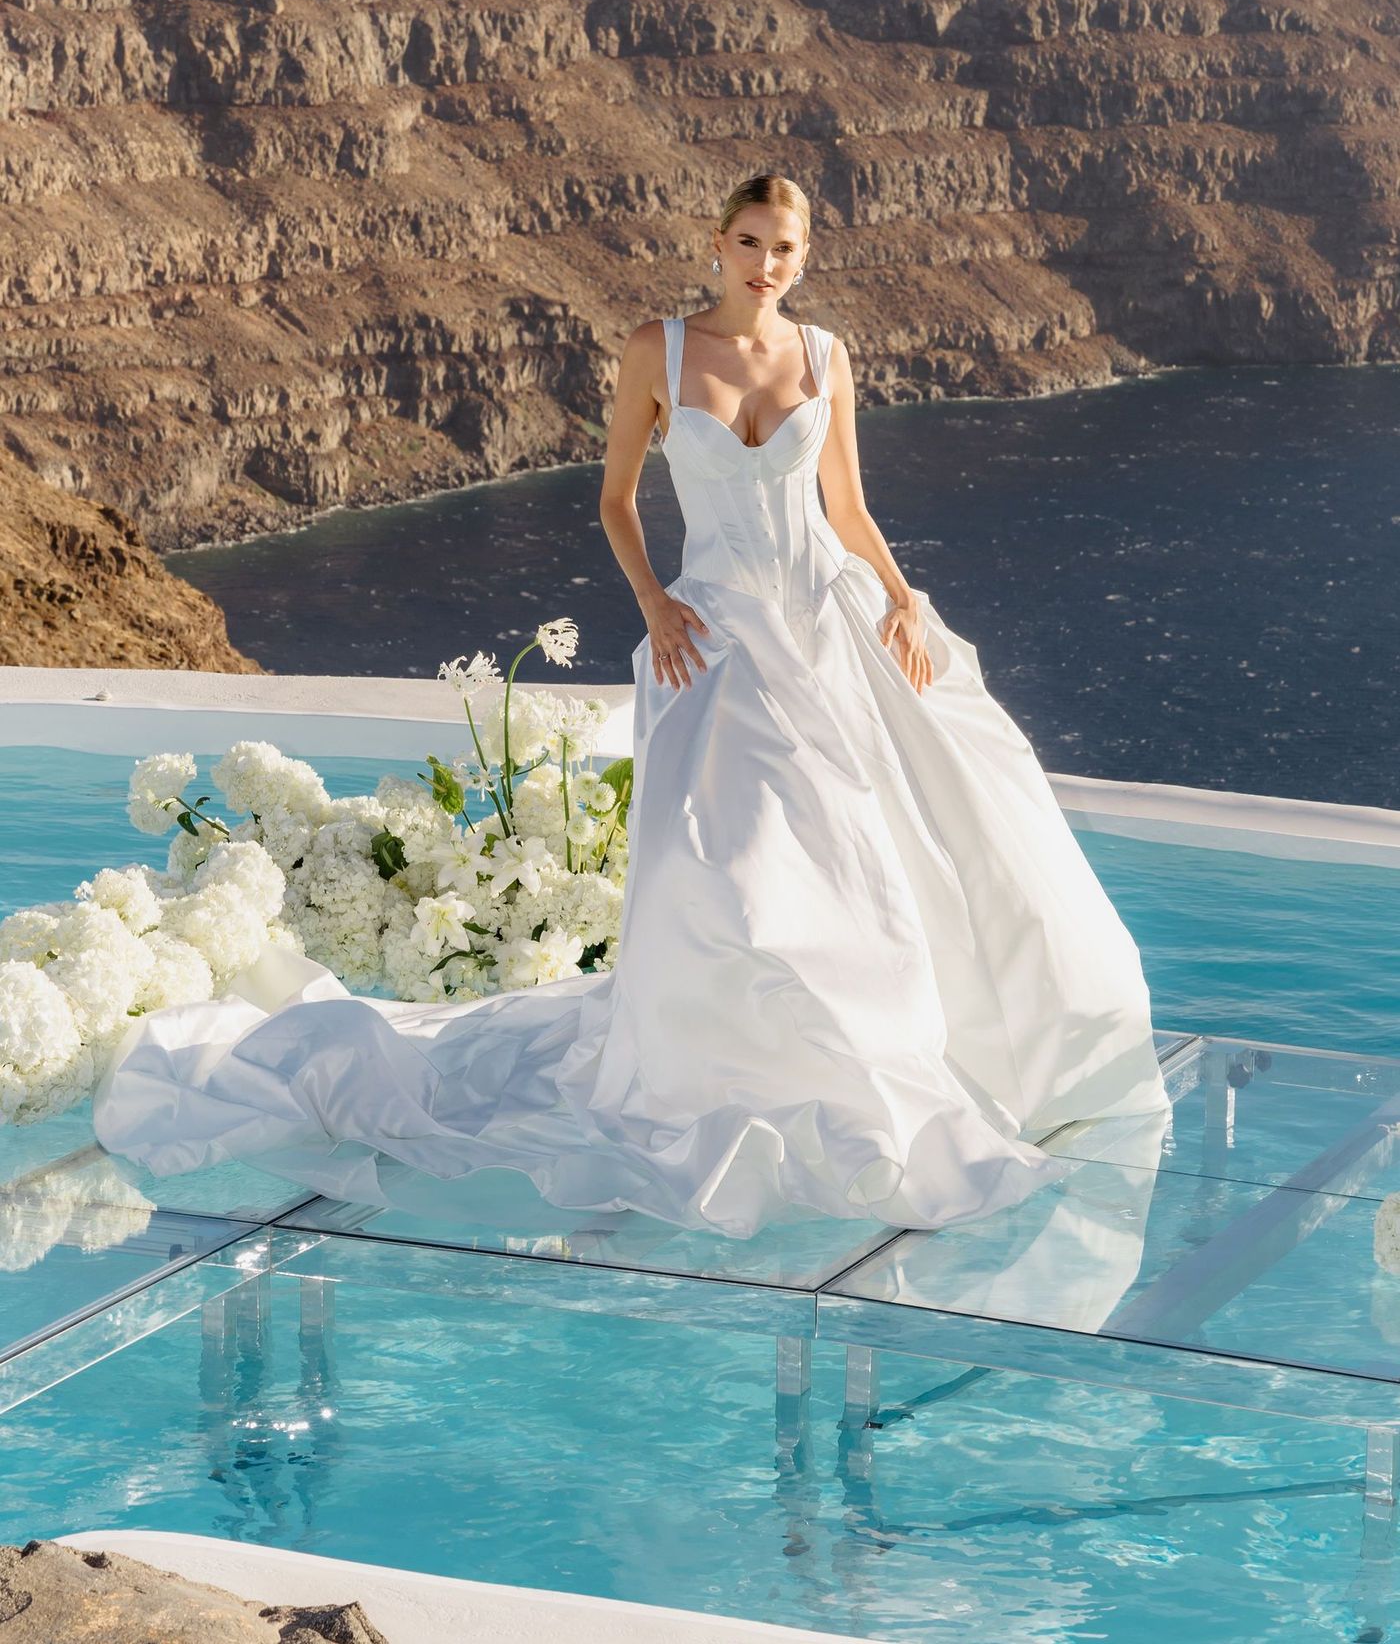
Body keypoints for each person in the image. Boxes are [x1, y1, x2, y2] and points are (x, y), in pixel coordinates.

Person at [95, 170, 1166, 1238]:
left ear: (804, 255)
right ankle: (730, 1060)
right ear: (718, 241)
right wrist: (654, 603)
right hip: (710, 635)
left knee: (863, 853)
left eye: (785, 247)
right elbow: (613, 497)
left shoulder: (826, 355)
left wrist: (897, 599)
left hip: (824, 627)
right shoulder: (654, 348)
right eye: (750, 241)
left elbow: (845, 504)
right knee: (726, 863)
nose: (766, 263)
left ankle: (860, 1052)